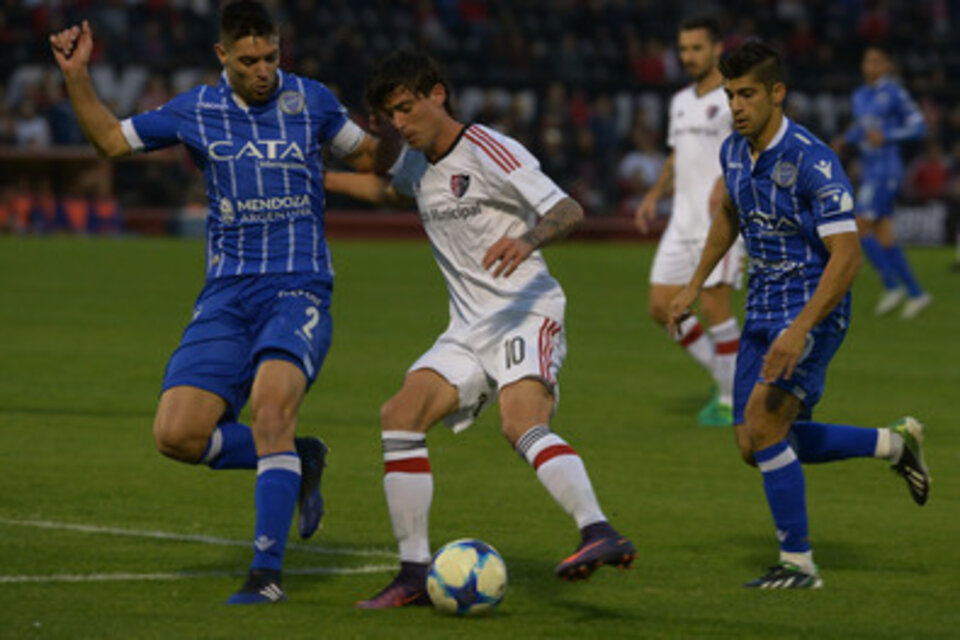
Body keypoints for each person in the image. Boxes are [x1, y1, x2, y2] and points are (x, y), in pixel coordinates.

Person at [50, 0, 384, 604]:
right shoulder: (195, 111)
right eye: (249, 60)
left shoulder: (311, 101)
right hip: (226, 295)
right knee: (175, 436)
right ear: (222, 56)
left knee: (270, 411)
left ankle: (266, 575)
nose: (263, 70)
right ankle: (299, 459)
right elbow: (107, 141)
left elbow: (370, 157)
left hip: (297, 285)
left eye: (272, 57)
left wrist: (436, 162)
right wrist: (76, 76)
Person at [324, 49, 636, 609]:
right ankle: (415, 574)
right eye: (391, 115)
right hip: (468, 327)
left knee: (519, 424)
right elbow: (385, 190)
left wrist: (526, 240)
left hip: (526, 309)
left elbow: (567, 210)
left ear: (436, 94)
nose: (400, 124)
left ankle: (599, 531)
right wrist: (319, 180)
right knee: (400, 415)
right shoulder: (418, 161)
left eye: (406, 109)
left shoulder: (489, 148)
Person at [669, 41, 931, 589]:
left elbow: (849, 255)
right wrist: (694, 282)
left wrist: (802, 327)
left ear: (776, 94)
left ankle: (799, 565)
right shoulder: (735, 151)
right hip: (762, 304)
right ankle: (893, 444)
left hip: (812, 308)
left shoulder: (812, 160)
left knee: (766, 427)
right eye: (730, 95)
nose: (737, 106)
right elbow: (729, 214)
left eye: (747, 95)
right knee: (754, 444)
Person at [634, 17, 743, 427]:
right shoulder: (680, 101)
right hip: (682, 222)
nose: (688, 56)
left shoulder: (734, 97)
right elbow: (678, 156)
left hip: (723, 223)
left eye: (696, 48)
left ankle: (732, 401)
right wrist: (654, 193)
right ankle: (725, 372)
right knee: (662, 306)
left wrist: (724, 179)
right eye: (683, 49)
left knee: (715, 306)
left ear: (717, 49)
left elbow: (752, 148)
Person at [834, 44, 930, 318]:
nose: (871, 66)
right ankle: (914, 292)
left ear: (887, 66)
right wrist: (845, 139)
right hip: (869, 168)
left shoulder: (895, 93)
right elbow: (862, 128)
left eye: (877, 61)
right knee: (883, 231)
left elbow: (919, 126)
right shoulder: (860, 95)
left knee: (859, 224)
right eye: (867, 61)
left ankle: (891, 285)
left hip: (887, 168)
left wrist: (888, 136)